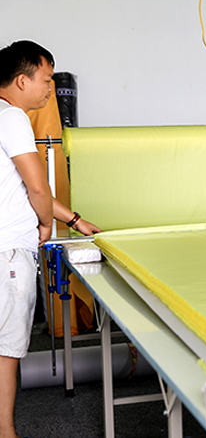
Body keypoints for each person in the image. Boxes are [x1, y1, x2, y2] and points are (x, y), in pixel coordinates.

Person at [0, 40, 101, 438]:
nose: (51, 89)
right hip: (9, 253)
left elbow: (23, 187)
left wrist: (74, 220)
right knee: (6, 353)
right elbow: (38, 188)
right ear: (22, 81)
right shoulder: (12, 118)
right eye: (46, 79)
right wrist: (45, 225)